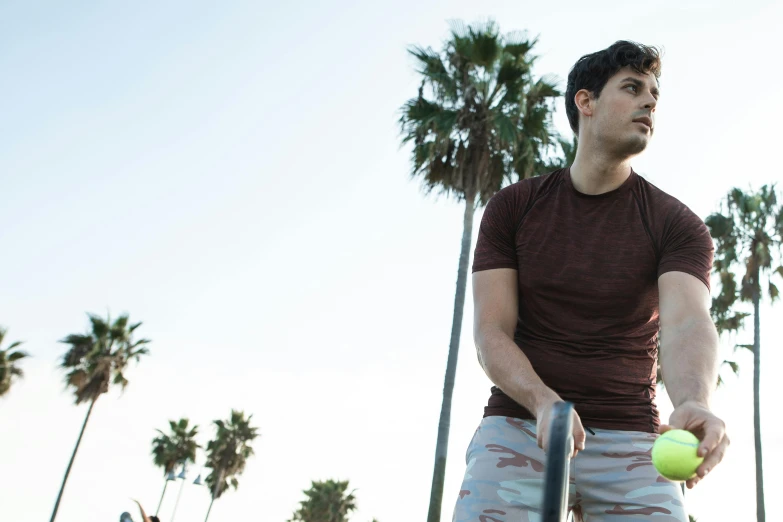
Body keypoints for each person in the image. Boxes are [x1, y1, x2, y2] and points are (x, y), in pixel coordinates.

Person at [452, 41, 730, 521]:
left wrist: (694, 401)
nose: (649, 102)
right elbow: (490, 333)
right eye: (632, 88)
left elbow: (686, 322)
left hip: (633, 435)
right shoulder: (513, 208)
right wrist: (544, 404)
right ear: (586, 101)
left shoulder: (676, 224)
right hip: (520, 422)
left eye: (654, 95)